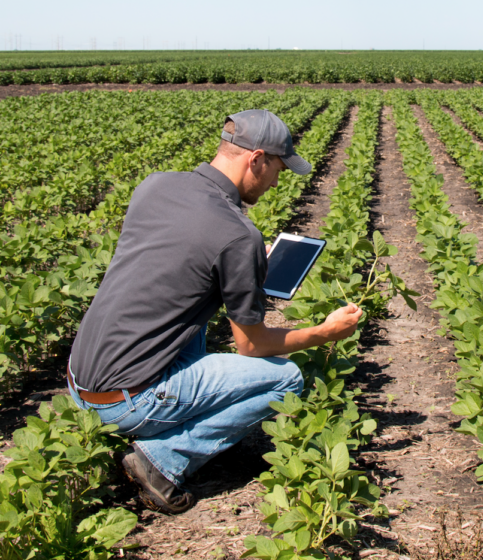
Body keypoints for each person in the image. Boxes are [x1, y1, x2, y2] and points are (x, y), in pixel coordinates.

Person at [66, 109, 362, 514]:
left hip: (80, 380)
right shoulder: (238, 235)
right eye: (278, 167)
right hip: (125, 400)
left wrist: (248, 267)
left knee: (193, 319)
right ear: (256, 158)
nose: (278, 181)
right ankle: (163, 461)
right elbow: (251, 346)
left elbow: (178, 264)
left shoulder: (156, 186)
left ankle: (150, 415)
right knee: (285, 379)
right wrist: (325, 332)